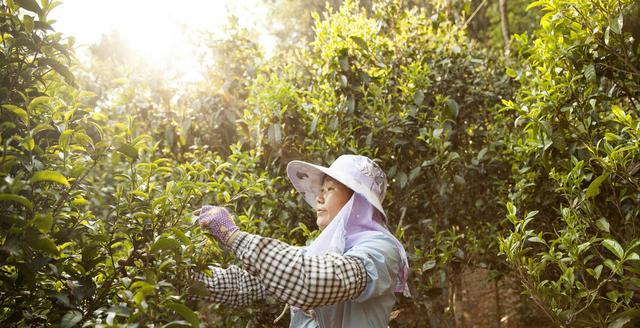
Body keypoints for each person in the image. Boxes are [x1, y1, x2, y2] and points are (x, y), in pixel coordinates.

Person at [190, 154, 410, 327]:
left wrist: (232, 235)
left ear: (357, 202)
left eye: (330, 189)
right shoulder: (323, 251)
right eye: (321, 190)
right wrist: (181, 271)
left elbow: (312, 281)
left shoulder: (381, 249)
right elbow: (244, 285)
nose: (319, 198)